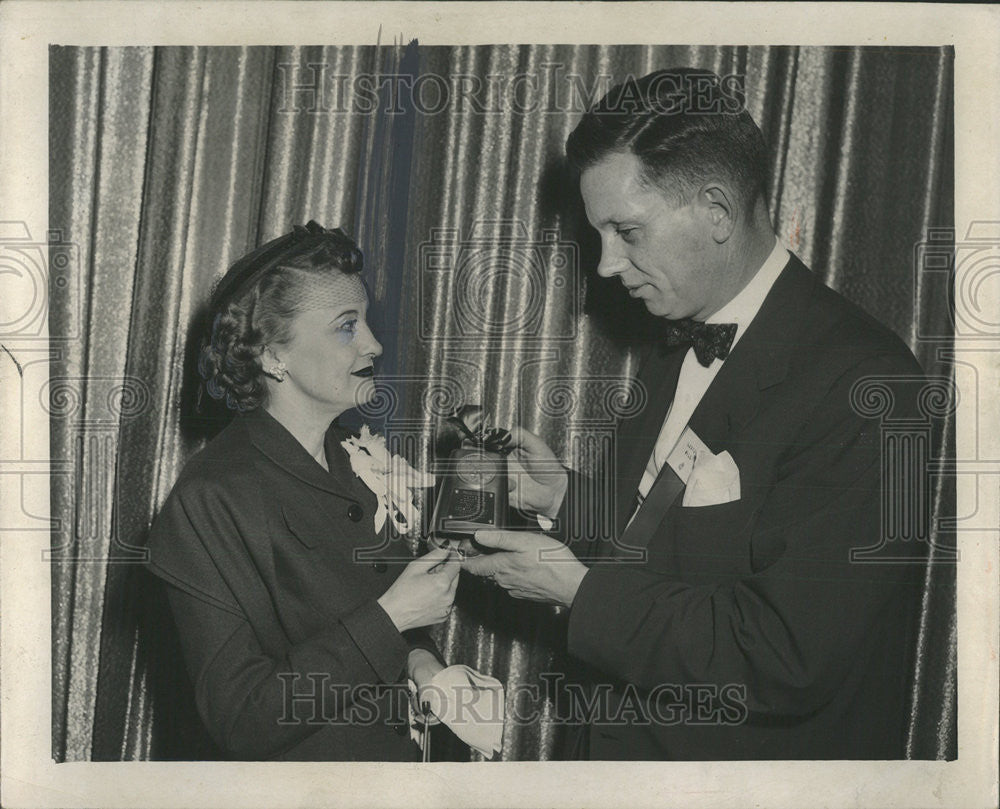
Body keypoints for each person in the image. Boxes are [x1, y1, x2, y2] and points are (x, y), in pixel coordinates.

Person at [462, 68, 927, 760]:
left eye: (626, 231)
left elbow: (784, 653)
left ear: (716, 212)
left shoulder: (870, 383)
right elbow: (671, 549)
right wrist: (567, 496)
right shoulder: (677, 337)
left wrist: (579, 593)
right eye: (599, 235)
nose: (607, 265)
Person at [146, 222, 459, 760]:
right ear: (272, 356)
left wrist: (421, 663)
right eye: (345, 327)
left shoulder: (359, 458)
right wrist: (393, 620)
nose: (374, 343)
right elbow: (243, 717)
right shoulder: (210, 500)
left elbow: (378, 615)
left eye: (365, 321)